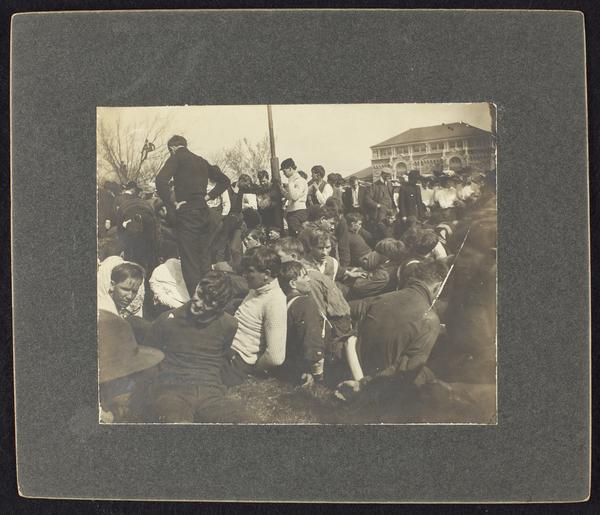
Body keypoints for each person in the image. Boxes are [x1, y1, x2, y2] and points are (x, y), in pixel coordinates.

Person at [139, 271, 246, 423]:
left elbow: (222, 353)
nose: (199, 303)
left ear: (220, 307)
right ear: (196, 286)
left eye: (209, 303)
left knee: (239, 421)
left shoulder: (229, 324)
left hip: (210, 390)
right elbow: (147, 356)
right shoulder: (168, 320)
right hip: (173, 387)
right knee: (177, 420)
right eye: (199, 294)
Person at [338, 259, 448, 398]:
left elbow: (343, 309)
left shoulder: (382, 297)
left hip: (351, 367)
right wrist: (363, 385)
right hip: (378, 389)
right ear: (437, 287)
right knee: (429, 374)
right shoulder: (431, 321)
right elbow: (407, 370)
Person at [155, 135, 230, 296]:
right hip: (204, 213)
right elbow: (225, 181)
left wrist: (172, 204)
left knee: (190, 263)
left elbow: (160, 181)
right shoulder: (201, 160)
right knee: (204, 260)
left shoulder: (177, 157)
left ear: (172, 148)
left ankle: (197, 302)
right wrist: (208, 196)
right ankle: (211, 298)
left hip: (187, 213)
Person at [221, 247, 287, 386]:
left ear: (266, 274)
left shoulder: (275, 301)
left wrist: (254, 369)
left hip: (236, 360)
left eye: (249, 271)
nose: (244, 275)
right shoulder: (257, 288)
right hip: (225, 348)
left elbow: (276, 357)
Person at [276, 261, 325, 384]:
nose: (309, 279)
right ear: (293, 283)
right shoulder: (304, 303)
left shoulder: (283, 301)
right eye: (304, 276)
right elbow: (312, 339)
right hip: (319, 359)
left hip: (292, 359)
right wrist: (318, 372)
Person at [148, 243, 190, 314]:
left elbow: (160, 296)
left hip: (171, 309)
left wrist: (181, 308)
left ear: (161, 258)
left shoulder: (158, 270)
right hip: (190, 305)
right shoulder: (186, 266)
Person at [280, 158, 308, 237]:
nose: (284, 174)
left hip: (298, 212)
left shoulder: (300, 181)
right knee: (293, 237)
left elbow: (294, 197)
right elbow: (290, 197)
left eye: (284, 171)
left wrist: (290, 182)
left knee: (298, 237)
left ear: (290, 169)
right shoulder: (293, 181)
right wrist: (282, 190)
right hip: (292, 212)